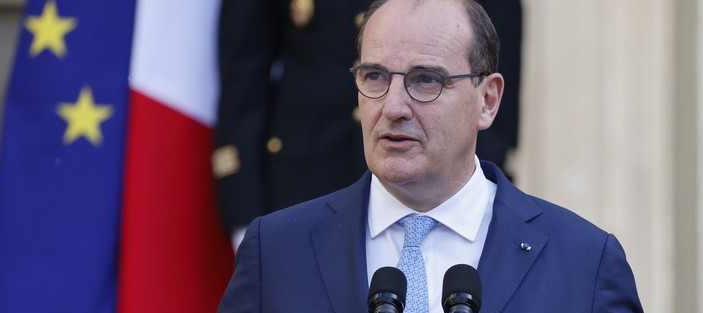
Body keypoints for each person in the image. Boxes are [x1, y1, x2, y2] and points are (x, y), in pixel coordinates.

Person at [131, 0, 703, 313]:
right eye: (375, 78)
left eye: (426, 80)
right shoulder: (279, 250)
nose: (393, 107)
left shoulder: (581, 260)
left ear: (488, 100)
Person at [212, 0, 522, 249]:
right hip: (301, 185)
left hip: (440, 197)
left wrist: (483, 210)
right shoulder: (270, 239)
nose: (393, 107)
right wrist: (247, 217)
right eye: (373, 77)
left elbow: (489, 76)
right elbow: (244, 77)